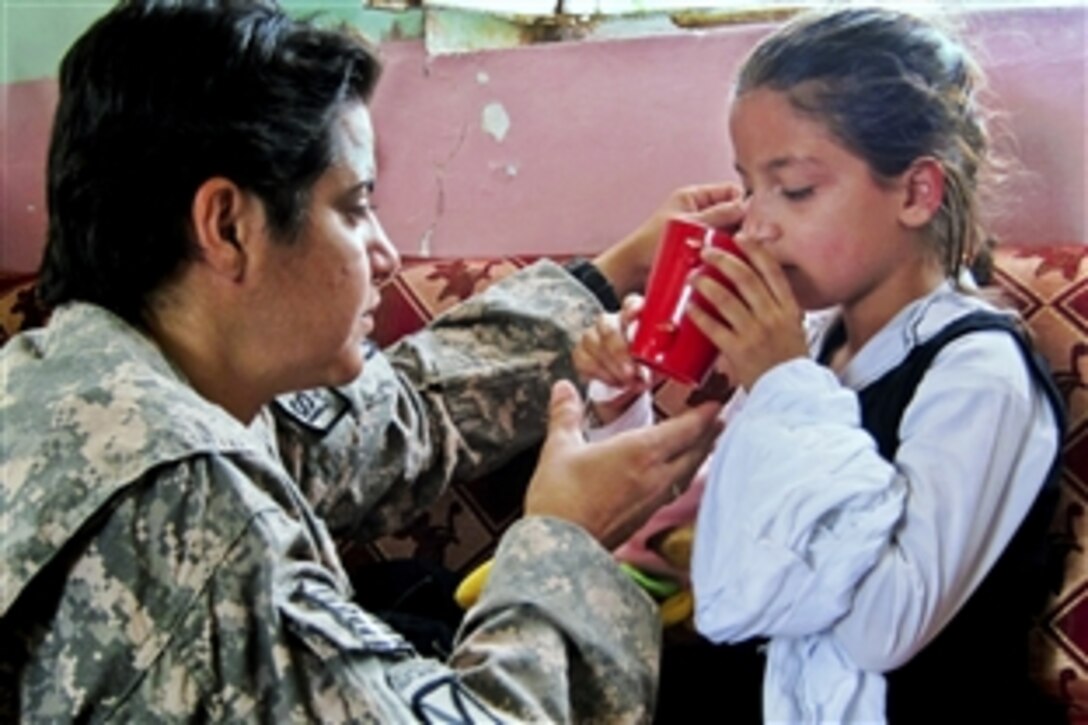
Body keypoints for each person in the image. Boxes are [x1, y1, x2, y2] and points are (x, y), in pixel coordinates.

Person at [0, 0, 741, 720]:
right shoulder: (189, 510)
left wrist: (616, 272)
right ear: (226, 225)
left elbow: (401, 414)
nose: (385, 255)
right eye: (354, 208)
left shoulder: (96, 379)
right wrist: (566, 542)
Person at [573, 7, 1066, 723]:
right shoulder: (812, 340)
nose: (758, 223)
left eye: (795, 188)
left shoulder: (978, 372)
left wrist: (783, 387)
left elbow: (881, 629)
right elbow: (724, 552)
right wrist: (622, 403)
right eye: (749, 188)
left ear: (915, 191)